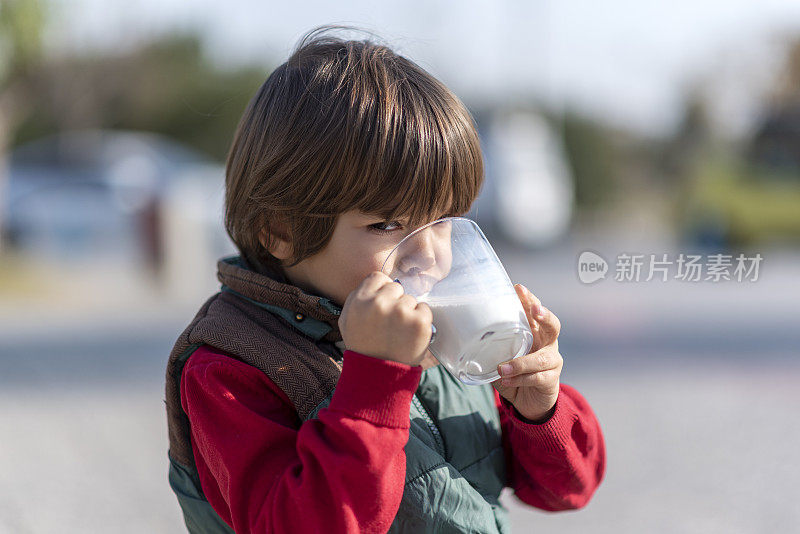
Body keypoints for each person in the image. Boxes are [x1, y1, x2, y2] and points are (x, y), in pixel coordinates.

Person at [164, 25, 606, 534]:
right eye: (387, 225)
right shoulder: (231, 369)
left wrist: (538, 409)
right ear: (279, 231)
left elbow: (565, 489)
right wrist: (374, 381)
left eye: (444, 220)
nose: (431, 256)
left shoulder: (440, 331)